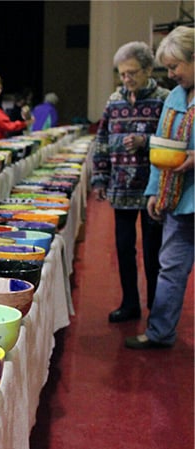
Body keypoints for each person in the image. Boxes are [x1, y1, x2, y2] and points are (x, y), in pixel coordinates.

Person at [90, 41, 170, 324]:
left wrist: (144, 142)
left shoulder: (164, 99)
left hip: (153, 190)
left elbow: (173, 142)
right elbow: (101, 141)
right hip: (121, 188)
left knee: (153, 253)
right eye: (122, 74)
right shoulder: (114, 101)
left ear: (148, 69)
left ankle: (156, 310)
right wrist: (99, 178)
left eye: (133, 72)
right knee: (124, 249)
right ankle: (130, 304)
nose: (127, 79)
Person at [126, 26, 194, 349]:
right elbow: (160, 149)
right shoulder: (176, 98)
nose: (170, 74)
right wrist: (153, 191)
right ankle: (160, 333)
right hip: (180, 201)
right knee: (170, 268)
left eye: (175, 66)